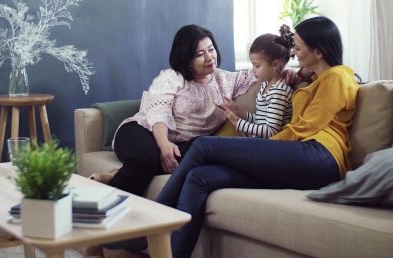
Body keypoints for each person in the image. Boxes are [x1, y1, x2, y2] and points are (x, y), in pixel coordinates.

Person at [104, 16, 361, 258]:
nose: (293, 52)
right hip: (297, 157)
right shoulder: (317, 78)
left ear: (318, 52)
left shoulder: (339, 76)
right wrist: (300, 74)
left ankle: (151, 223)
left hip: (320, 156)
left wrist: (260, 149)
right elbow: (275, 73)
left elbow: (305, 128)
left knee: (204, 146)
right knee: (199, 177)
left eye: (299, 48)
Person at [92, 24, 257, 197]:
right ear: (186, 60)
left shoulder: (226, 81)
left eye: (211, 49)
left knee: (203, 152)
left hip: (182, 146)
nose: (210, 57)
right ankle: (105, 211)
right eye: (200, 54)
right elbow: (159, 113)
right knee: (146, 159)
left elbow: (262, 71)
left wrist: (286, 73)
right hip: (141, 131)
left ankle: (114, 177)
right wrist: (163, 144)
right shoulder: (172, 77)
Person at [219, 24, 294, 138]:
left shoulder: (279, 92)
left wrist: (238, 123)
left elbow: (271, 131)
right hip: (260, 143)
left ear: (275, 64)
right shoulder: (265, 85)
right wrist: (239, 111)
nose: (253, 70)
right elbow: (261, 121)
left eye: (257, 66)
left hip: (273, 146)